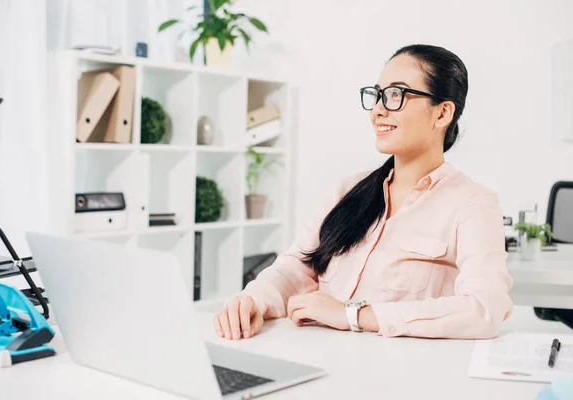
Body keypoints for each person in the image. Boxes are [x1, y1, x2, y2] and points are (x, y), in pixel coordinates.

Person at [213, 44, 513, 340]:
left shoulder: (473, 204)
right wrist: (253, 299)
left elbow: (483, 310)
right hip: (316, 362)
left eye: (396, 95)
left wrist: (353, 315)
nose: (378, 111)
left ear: (442, 113)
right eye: (377, 95)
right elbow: (296, 268)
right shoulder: (349, 190)